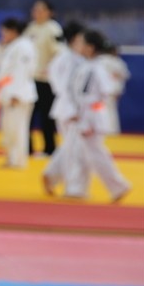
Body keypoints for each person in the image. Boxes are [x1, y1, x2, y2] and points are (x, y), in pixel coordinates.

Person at [59, 30, 131, 203]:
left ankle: (119, 185)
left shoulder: (98, 68)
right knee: (81, 153)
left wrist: (89, 114)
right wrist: (75, 113)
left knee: (96, 154)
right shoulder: (87, 66)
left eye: (82, 43)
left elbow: (107, 92)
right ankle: (77, 189)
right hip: (84, 115)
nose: (79, 46)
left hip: (91, 117)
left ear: (90, 48)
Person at [41, 21, 86, 197]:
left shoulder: (72, 58)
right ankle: (71, 187)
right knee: (73, 149)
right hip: (69, 109)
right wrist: (74, 109)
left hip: (69, 108)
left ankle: (52, 174)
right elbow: (64, 87)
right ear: (75, 39)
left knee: (72, 146)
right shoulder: (68, 59)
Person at [0, 17, 37, 170]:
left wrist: (16, 94)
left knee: (18, 128)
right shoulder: (13, 46)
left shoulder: (24, 46)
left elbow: (21, 71)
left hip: (19, 94)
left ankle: (19, 160)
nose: (2, 34)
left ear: (13, 31)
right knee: (10, 128)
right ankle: (12, 157)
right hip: (10, 92)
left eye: (4, 31)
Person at [24, 0, 62, 157]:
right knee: (28, 116)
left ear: (50, 12)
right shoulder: (30, 28)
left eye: (41, 9)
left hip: (46, 80)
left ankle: (50, 148)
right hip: (30, 78)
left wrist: (52, 69)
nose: (37, 12)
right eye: (35, 9)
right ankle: (27, 148)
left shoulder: (53, 29)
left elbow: (60, 52)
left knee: (47, 116)